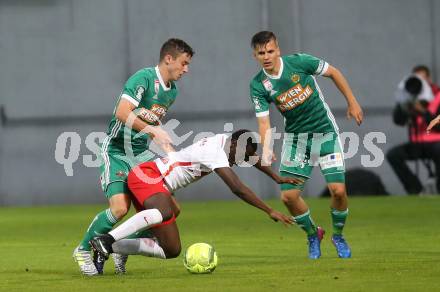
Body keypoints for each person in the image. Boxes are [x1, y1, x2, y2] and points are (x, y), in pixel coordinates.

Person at [73, 38, 194, 276]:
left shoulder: (172, 91)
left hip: (142, 155)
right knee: (119, 209)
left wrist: (164, 141)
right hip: (117, 150)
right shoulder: (143, 79)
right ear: (168, 59)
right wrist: (152, 131)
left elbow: (151, 118)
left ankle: (119, 247)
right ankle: (83, 249)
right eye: (184, 63)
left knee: (171, 209)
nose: (186, 69)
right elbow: (121, 113)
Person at [89, 130, 299, 267]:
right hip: (149, 174)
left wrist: (276, 177)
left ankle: (116, 248)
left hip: (159, 183)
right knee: (165, 212)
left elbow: (252, 157)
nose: (239, 162)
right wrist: (269, 210)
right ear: (234, 144)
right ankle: (106, 240)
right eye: (240, 157)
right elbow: (238, 188)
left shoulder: (225, 140)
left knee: (171, 250)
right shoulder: (215, 153)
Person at [249, 31, 363, 259]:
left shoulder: (300, 62)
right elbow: (263, 122)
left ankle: (338, 236)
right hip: (296, 141)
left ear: (278, 50)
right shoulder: (258, 85)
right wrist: (267, 148)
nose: (267, 56)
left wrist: (352, 102)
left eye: (270, 51)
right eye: (261, 53)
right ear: (255, 55)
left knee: (338, 191)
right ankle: (313, 234)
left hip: (325, 133)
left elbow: (334, 73)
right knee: (288, 197)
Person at [387, 70, 440, 194]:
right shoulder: (409, 97)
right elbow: (398, 121)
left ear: (429, 79)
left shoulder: (437, 96)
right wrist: (403, 106)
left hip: (436, 142)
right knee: (393, 155)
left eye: (422, 79)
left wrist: (423, 111)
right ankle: (415, 190)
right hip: (417, 143)